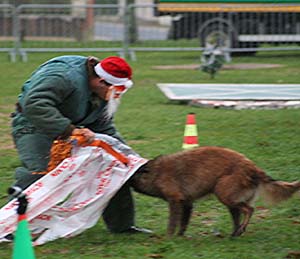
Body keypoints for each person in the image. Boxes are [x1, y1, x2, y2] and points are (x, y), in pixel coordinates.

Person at [10, 55, 152, 234]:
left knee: (114, 165)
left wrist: (128, 159)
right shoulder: (63, 77)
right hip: (33, 124)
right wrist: (69, 130)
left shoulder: (100, 92)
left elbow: (103, 127)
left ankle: (122, 226)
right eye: (117, 91)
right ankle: (11, 225)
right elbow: (35, 104)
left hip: (69, 127)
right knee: (39, 172)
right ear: (102, 82)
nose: (117, 96)